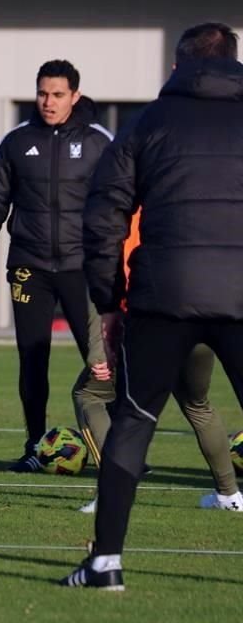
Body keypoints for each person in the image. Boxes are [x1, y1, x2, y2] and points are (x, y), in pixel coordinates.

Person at [61, 22, 243, 591]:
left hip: (164, 295)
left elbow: (103, 214)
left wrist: (108, 300)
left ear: (175, 66)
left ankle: (105, 564)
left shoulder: (147, 122)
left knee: (134, 421)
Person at [0, 60, 113, 472]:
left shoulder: (101, 142)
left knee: (102, 361)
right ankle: (36, 446)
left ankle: (116, 450)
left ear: (75, 97)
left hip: (85, 268)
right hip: (30, 264)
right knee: (32, 358)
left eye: (58, 94)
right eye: (43, 93)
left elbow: (120, 201)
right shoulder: (16, 141)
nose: (49, 102)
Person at [72, 211, 240, 514]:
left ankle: (110, 493)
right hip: (208, 315)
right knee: (196, 404)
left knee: (92, 396)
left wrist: (98, 350)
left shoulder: (115, 214)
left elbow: (104, 282)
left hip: (149, 322)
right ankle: (229, 495)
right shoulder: (184, 207)